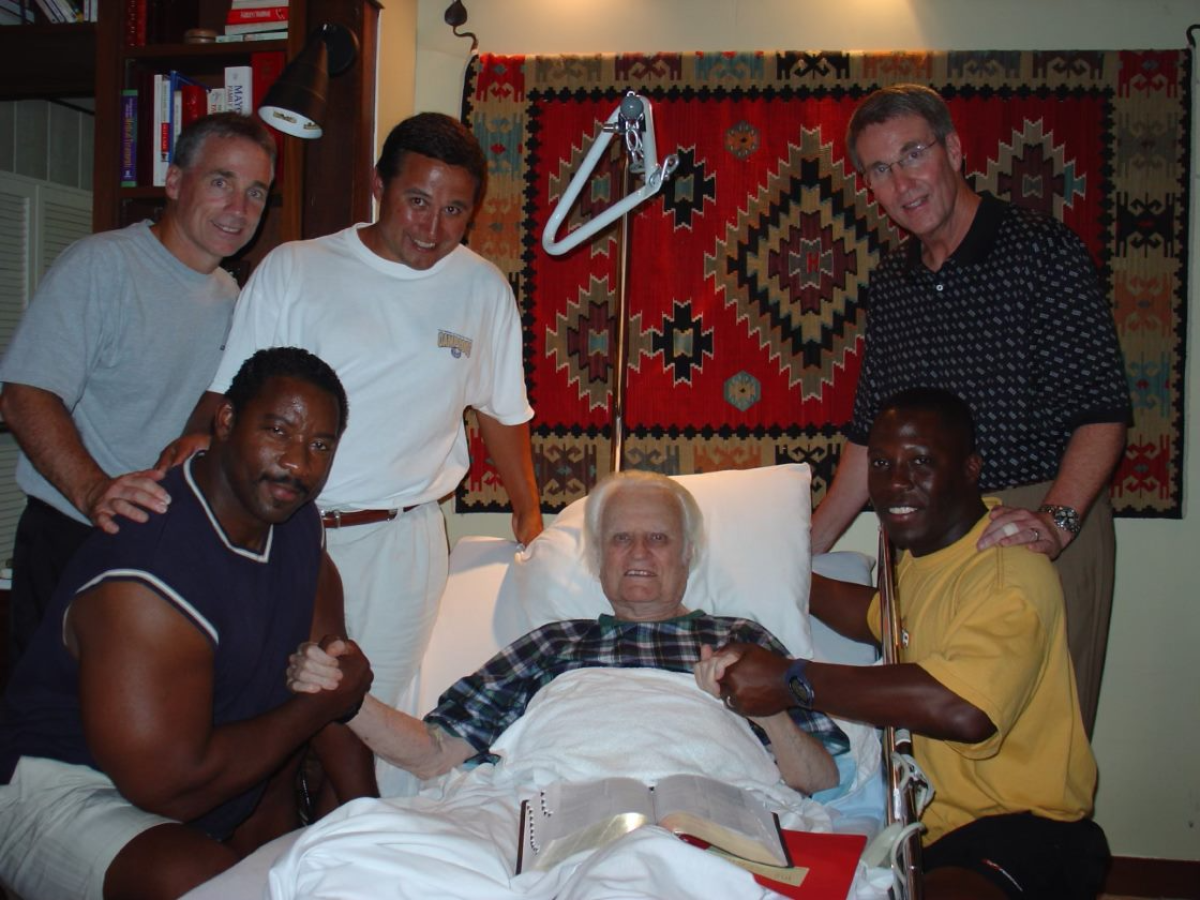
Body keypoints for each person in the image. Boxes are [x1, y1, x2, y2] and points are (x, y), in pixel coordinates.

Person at [165, 112, 544, 715]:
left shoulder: (483, 289)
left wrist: (529, 515)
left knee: (382, 718)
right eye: (417, 201)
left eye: (454, 211)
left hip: (402, 541)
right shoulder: (296, 268)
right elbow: (232, 393)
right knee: (265, 709)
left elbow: (502, 411)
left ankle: (380, 811)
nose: (433, 228)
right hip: (283, 531)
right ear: (378, 186)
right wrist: (187, 450)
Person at [0, 348, 375, 900]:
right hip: (66, 785)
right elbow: (172, 789)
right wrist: (322, 703)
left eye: (320, 445)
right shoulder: (147, 568)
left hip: (211, 778)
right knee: (214, 887)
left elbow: (329, 680)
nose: (298, 463)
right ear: (225, 421)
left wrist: (377, 824)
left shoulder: (296, 523)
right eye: (277, 430)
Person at [811, 84, 1129, 734]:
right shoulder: (892, 283)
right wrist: (799, 551)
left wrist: (1057, 521)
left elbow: (1102, 410)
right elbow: (868, 439)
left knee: (1036, 746)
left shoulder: (1043, 253)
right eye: (879, 169)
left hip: (1032, 517)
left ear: (954, 149)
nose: (902, 183)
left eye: (914, 155)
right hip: (929, 539)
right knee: (929, 739)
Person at [716, 388, 1108, 900]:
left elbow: (964, 709)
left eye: (922, 462)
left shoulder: (1005, 569)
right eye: (882, 463)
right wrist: (782, 574)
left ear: (970, 468)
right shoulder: (930, 556)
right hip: (935, 833)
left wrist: (790, 680)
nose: (897, 482)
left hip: (1027, 831)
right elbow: (877, 618)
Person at [290, 470, 849, 797]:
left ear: (688, 555)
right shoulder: (552, 644)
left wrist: (765, 709)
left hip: (711, 815)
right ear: (598, 559)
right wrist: (349, 697)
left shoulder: (741, 641)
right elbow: (435, 754)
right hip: (554, 815)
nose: (637, 554)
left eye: (657, 538)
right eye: (620, 539)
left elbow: (819, 780)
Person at [0, 112, 277, 673]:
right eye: (220, 181)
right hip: (74, 536)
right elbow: (24, 394)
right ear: (175, 182)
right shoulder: (102, 265)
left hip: (167, 545)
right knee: (47, 736)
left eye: (255, 192)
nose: (239, 208)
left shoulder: (236, 299)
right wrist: (94, 490)